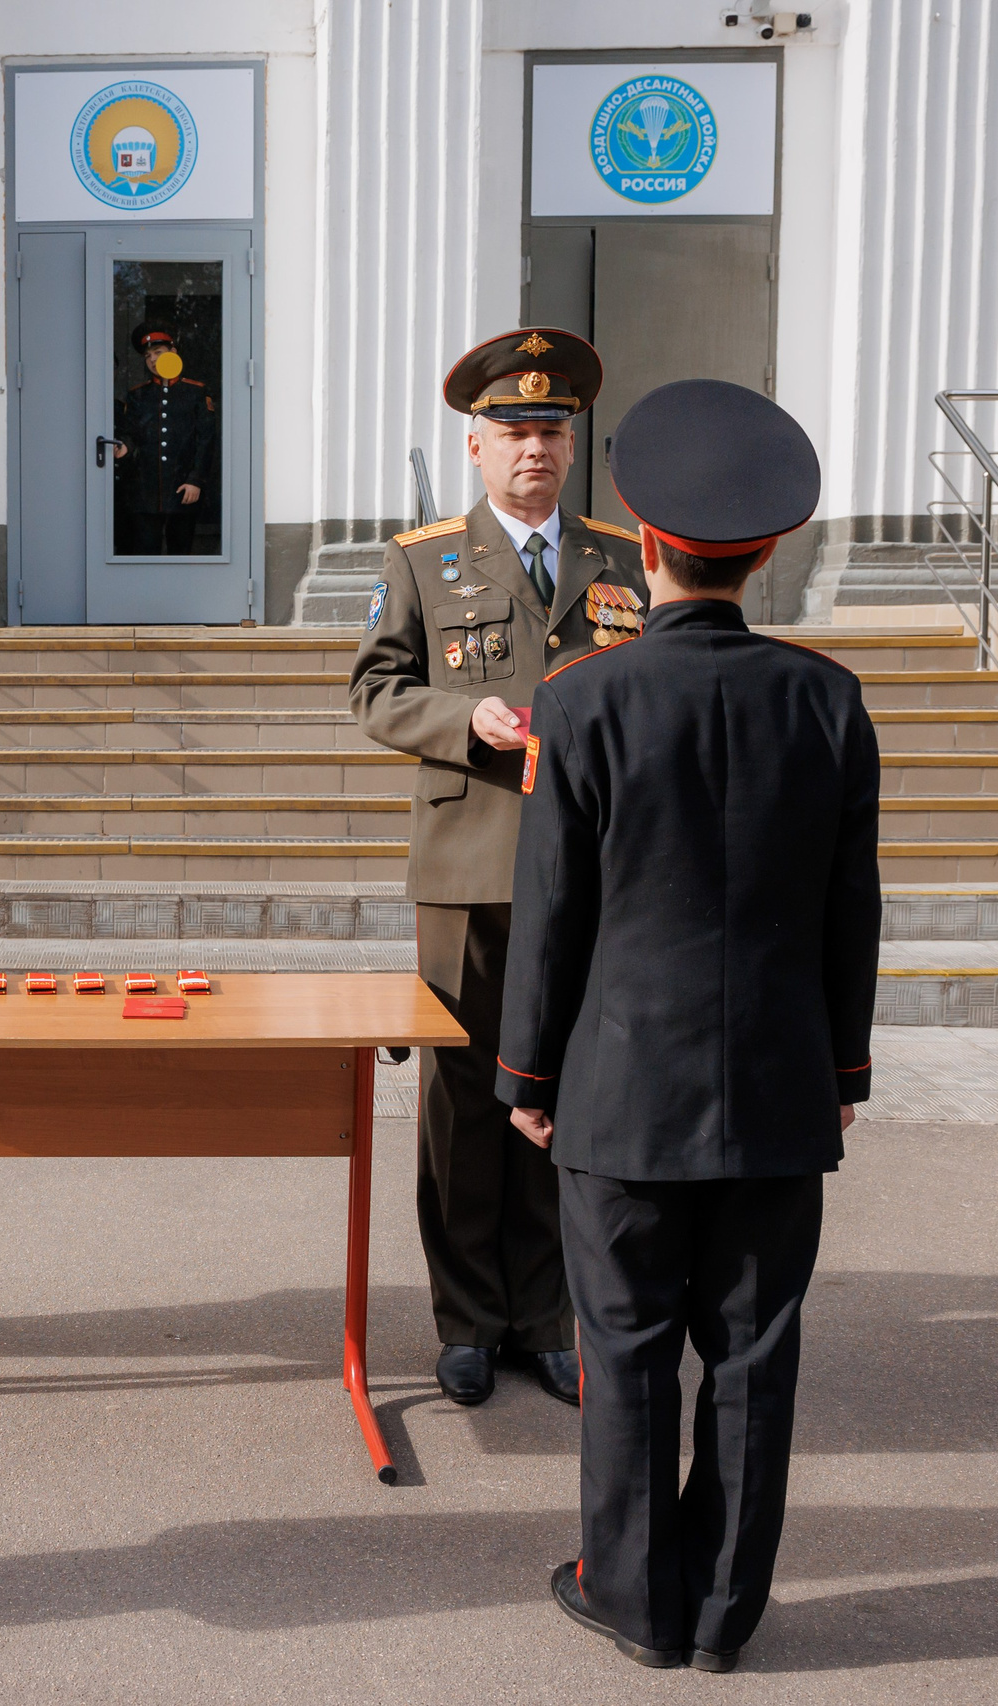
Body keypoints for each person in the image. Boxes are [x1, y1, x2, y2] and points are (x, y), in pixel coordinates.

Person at [493, 378, 882, 1672]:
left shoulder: (583, 699)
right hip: (776, 1087)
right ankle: (724, 1612)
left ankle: (634, 1598)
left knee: (627, 1348)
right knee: (755, 1354)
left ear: (645, 542)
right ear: (763, 554)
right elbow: (851, 909)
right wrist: (842, 1068)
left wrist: (526, 1073)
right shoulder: (827, 699)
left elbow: (552, 911)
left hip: (619, 1091)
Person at [350, 328, 648, 1409]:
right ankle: (469, 1319)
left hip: (594, 869)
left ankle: (550, 1316)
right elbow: (375, 690)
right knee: (465, 1098)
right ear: (474, 445)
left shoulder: (620, 559)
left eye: (552, 430)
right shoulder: (423, 560)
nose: (535, 448)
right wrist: (460, 718)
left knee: (568, 1091)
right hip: (470, 863)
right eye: (514, 430)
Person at [113, 321, 217, 556]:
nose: (152, 359)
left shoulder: (196, 392)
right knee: (145, 550)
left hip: (184, 488)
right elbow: (132, 433)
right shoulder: (138, 395)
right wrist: (125, 446)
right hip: (145, 490)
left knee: (180, 550)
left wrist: (196, 480)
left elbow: (206, 441)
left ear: (173, 352)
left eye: (158, 352)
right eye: (147, 355)